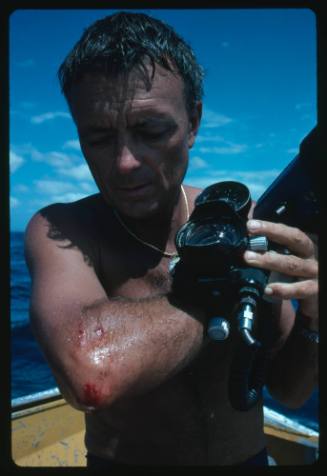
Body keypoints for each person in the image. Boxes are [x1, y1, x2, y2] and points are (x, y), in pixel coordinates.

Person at [24, 12, 318, 467]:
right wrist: (226, 284)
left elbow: (290, 391)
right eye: (99, 138)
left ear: (194, 122)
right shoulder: (62, 230)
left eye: (150, 131)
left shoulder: (246, 221)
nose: (124, 163)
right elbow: (91, 376)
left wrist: (314, 316)